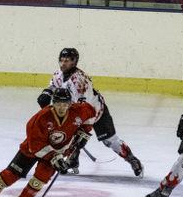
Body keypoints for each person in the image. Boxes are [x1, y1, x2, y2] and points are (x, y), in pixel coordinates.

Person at [0, 88, 96, 197]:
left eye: (65, 104)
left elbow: (92, 113)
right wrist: (54, 157)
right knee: (8, 177)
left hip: (57, 152)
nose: (62, 108)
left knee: (39, 180)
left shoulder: (78, 111)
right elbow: (35, 146)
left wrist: (84, 132)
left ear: (70, 103)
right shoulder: (41, 118)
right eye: (58, 104)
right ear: (53, 103)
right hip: (31, 149)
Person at [37, 48, 142, 177]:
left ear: (74, 62)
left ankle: (132, 159)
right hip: (76, 111)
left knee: (109, 141)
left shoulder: (80, 80)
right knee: (69, 138)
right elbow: (54, 85)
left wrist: (84, 132)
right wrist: (46, 93)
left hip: (95, 111)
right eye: (62, 60)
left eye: (67, 61)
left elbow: (85, 108)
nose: (63, 64)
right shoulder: (58, 74)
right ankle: (73, 160)